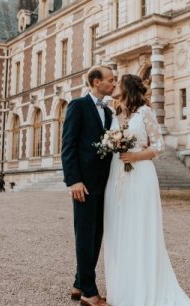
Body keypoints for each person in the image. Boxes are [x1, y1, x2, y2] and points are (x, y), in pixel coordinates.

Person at [103, 74, 190, 306]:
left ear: (127, 88)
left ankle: (144, 289)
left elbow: (158, 145)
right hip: (117, 174)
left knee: (140, 228)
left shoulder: (144, 112)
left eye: (117, 83)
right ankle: (123, 289)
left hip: (140, 173)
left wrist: (135, 156)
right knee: (118, 228)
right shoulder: (114, 113)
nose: (113, 85)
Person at [62, 66, 116, 306]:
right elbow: (68, 145)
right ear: (96, 82)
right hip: (82, 184)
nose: (114, 84)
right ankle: (88, 292)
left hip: (104, 184)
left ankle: (78, 283)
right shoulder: (78, 105)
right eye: (110, 80)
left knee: (95, 236)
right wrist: (73, 180)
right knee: (85, 236)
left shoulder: (108, 110)